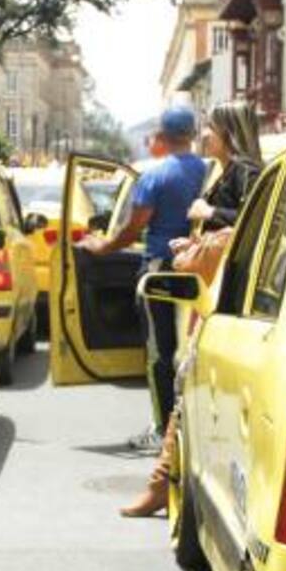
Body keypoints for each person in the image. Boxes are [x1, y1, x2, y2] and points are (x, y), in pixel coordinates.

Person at [120, 101, 263, 518]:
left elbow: (252, 224)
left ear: (228, 132)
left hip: (227, 299)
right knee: (188, 386)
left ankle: (163, 484)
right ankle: (167, 482)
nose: (204, 136)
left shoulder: (245, 171)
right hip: (214, 295)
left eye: (210, 128)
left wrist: (210, 213)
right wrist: (197, 241)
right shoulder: (222, 170)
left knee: (185, 386)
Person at [78, 106, 206, 452]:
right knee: (194, 350)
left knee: (159, 353)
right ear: (192, 135)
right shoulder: (208, 171)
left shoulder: (154, 176)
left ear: (162, 136)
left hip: (159, 272)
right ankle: (189, 425)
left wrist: (103, 247)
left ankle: (164, 430)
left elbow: (132, 229)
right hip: (200, 270)